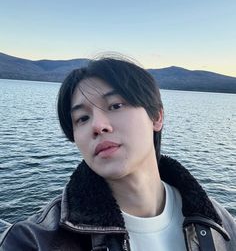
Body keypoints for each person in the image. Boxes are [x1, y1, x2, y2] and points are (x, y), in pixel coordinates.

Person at [0, 56, 235, 251]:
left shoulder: (219, 223)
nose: (97, 125)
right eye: (82, 118)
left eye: (115, 106)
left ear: (156, 117)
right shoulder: (34, 241)